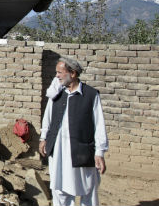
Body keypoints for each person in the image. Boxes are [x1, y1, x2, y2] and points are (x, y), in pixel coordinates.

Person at [39, 57, 108, 206]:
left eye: (60, 72)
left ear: (73, 73)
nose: (57, 76)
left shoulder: (90, 95)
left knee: (87, 188)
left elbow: (99, 124)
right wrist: (43, 138)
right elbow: (48, 117)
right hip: (58, 150)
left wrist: (100, 152)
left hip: (81, 150)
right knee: (59, 188)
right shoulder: (56, 93)